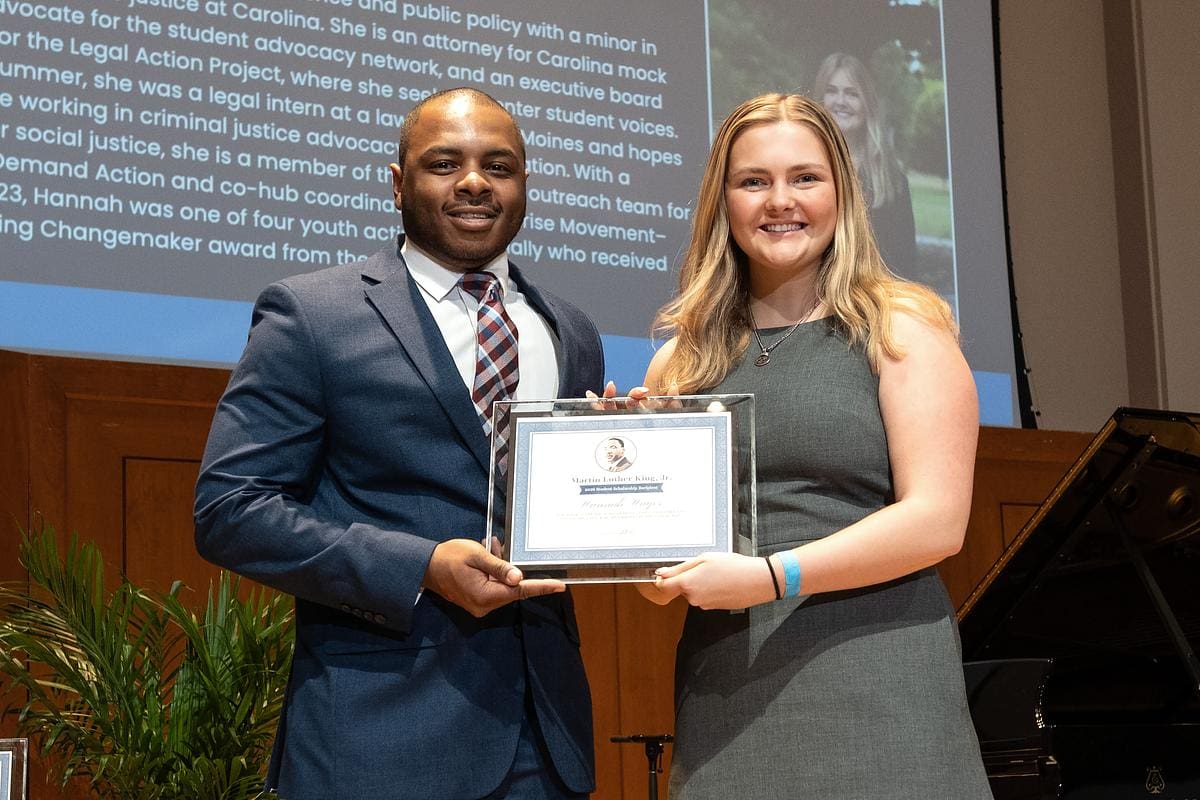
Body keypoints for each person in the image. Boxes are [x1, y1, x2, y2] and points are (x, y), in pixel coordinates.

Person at [194, 87, 603, 800]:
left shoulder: (570, 330)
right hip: (376, 741)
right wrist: (422, 566)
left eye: (498, 166)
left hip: (545, 743)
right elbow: (230, 509)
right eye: (445, 163)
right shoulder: (314, 316)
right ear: (398, 182)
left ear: (525, 185)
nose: (474, 182)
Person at [637, 93, 992, 797]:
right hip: (726, 693)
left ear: (842, 194)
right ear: (723, 200)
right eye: (753, 181)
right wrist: (618, 476)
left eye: (805, 178)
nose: (780, 201)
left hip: (880, 681)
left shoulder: (902, 331)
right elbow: (658, 583)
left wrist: (772, 577)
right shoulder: (679, 361)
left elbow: (938, 521)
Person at [812, 52, 918, 278]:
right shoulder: (798, 168)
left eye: (852, 94)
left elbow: (905, 263)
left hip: (876, 303)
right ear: (820, 98)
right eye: (832, 91)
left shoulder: (892, 179)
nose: (840, 101)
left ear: (867, 104)